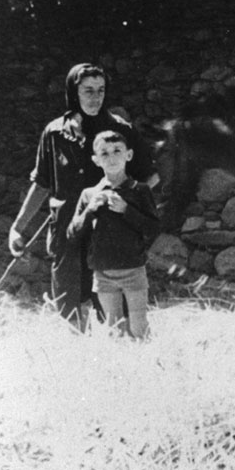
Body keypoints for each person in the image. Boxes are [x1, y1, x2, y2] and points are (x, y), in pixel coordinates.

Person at [8, 63, 157, 329]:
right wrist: (18, 228)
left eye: (100, 90)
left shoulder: (120, 130)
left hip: (110, 234)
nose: (95, 97)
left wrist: (127, 208)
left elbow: (148, 176)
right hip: (68, 229)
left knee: (116, 320)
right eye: (88, 90)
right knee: (69, 310)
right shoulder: (55, 133)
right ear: (73, 92)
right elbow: (42, 184)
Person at [67, 130, 159, 338]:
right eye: (105, 153)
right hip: (103, 273)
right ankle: (120, 368)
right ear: (95, 160)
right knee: (114, 327)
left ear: (129, 155)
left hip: (133, 270)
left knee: (138, 325)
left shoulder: (140, 191)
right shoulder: (90, 194)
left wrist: (128, 210)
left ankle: (146, 365)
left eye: (117, 151)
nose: (112, 157)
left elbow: (153, 229)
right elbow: (72, 234)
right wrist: (90, 210)